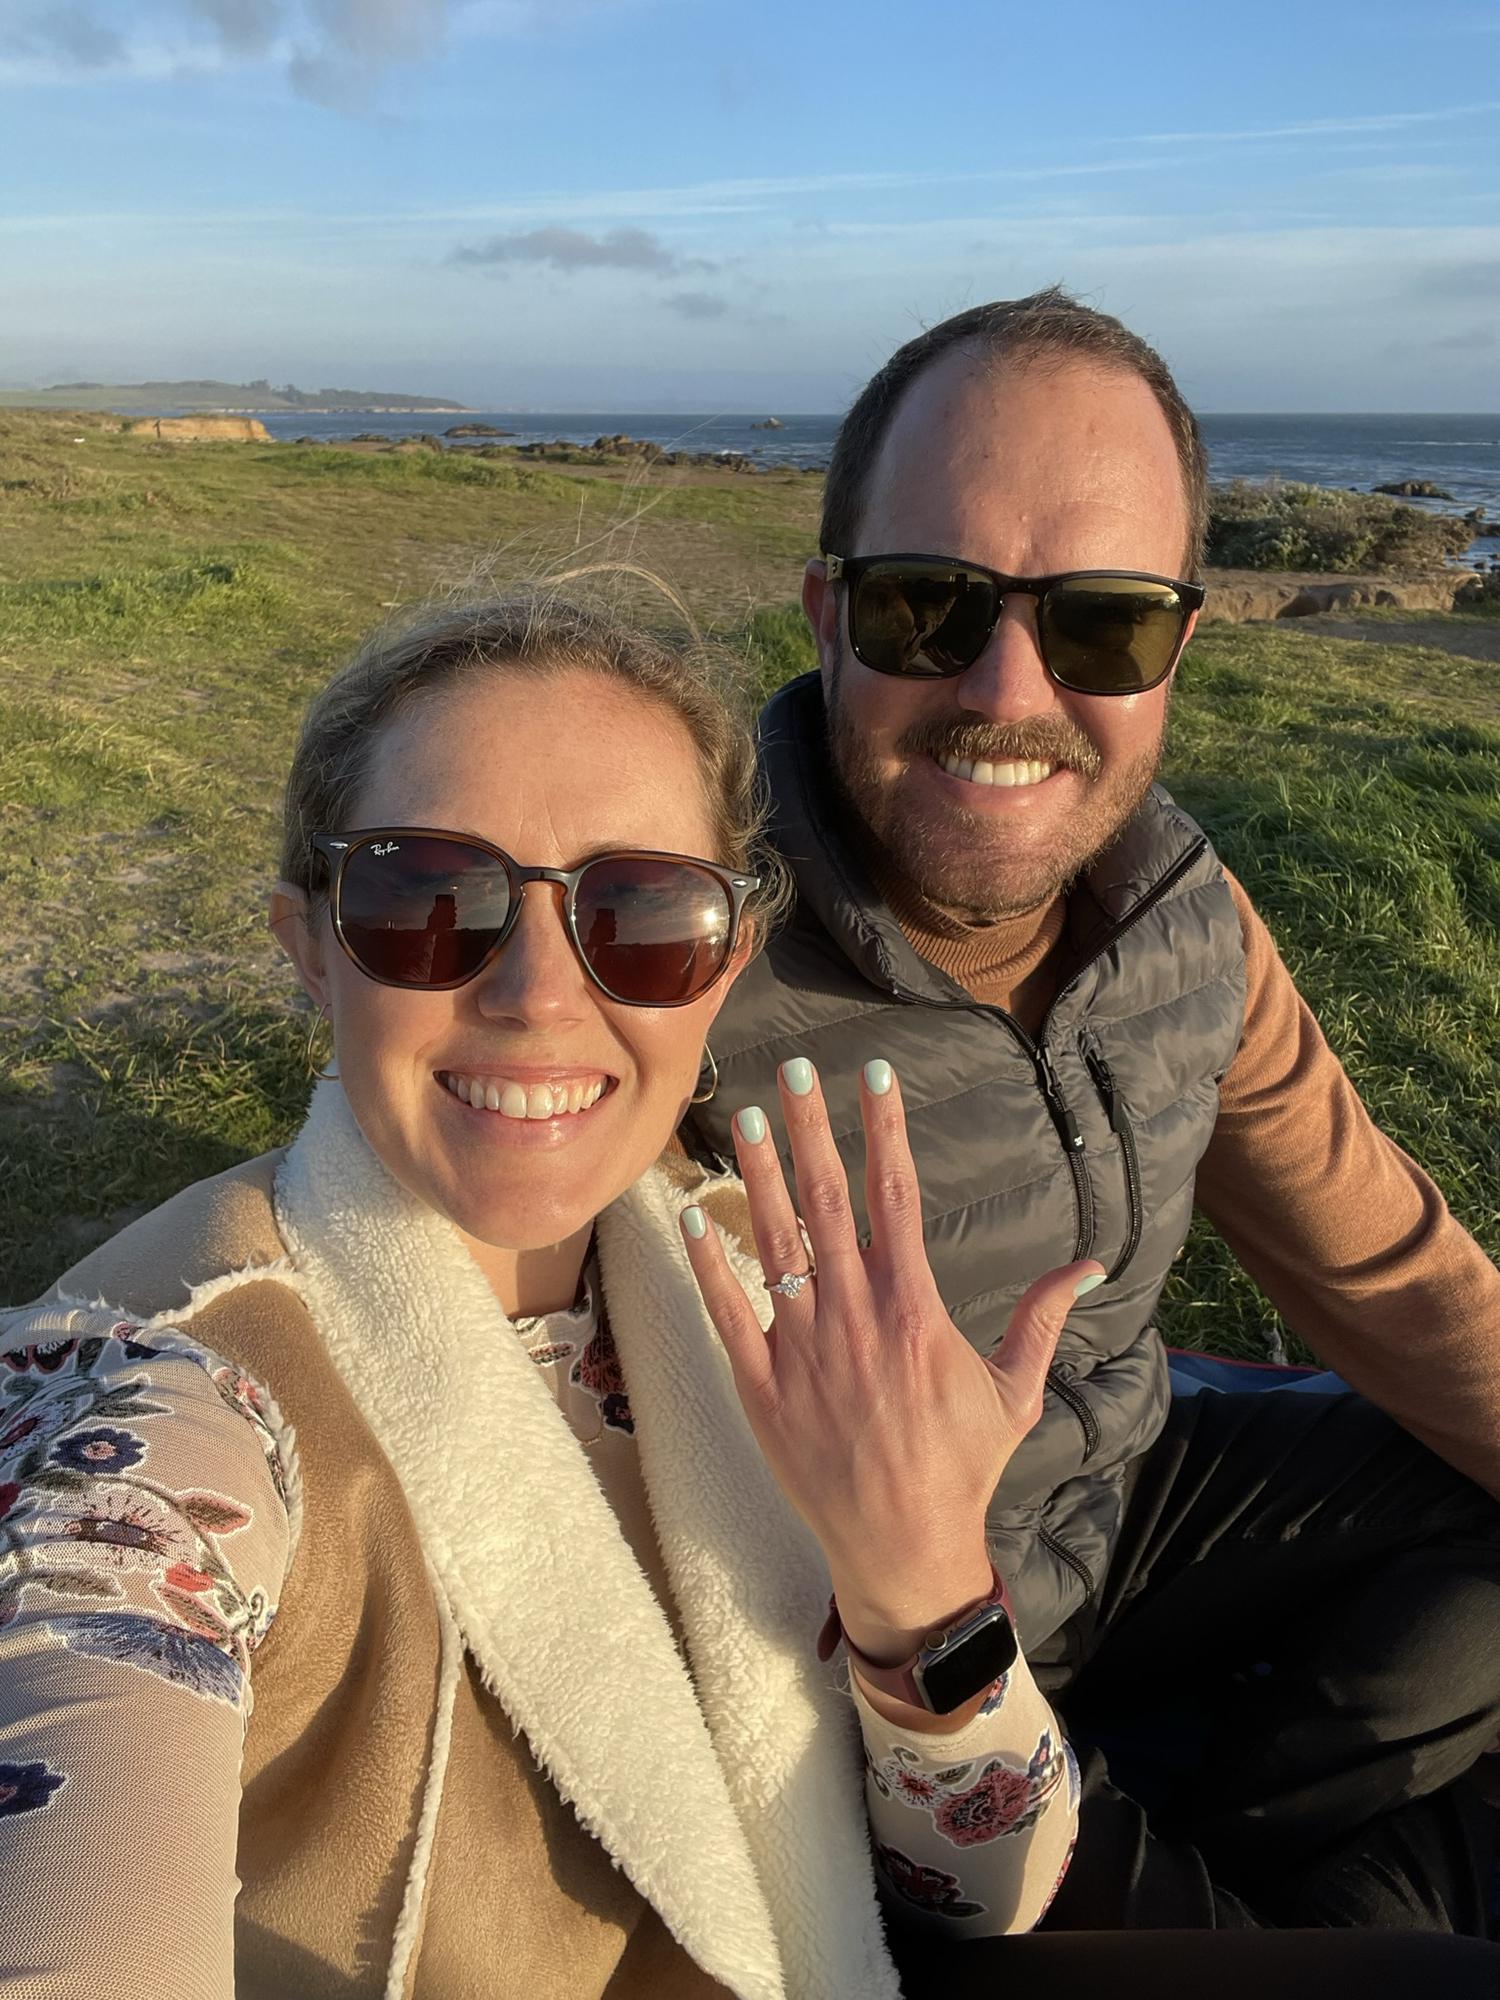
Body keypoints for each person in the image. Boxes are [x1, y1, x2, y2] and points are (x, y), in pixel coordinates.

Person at [0, 594, 1102, 1997]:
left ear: (722, 967)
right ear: (312, 947)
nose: (536, 993)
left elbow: (996, 1893)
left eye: (640, 914)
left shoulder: (760, 1288)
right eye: (426, 901)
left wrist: (923, 1587)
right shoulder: (153, 1397)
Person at [684, 289, 1500, 1936]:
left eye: (1103, 624)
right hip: (855, 1678)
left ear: (1179, 647)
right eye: (928, 605)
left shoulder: (1177, 919)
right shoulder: (677, 952)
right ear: (829, 617)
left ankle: (1257, 1882)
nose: (1009, 686)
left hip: (1121, 1514)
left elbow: (1387, 1273)